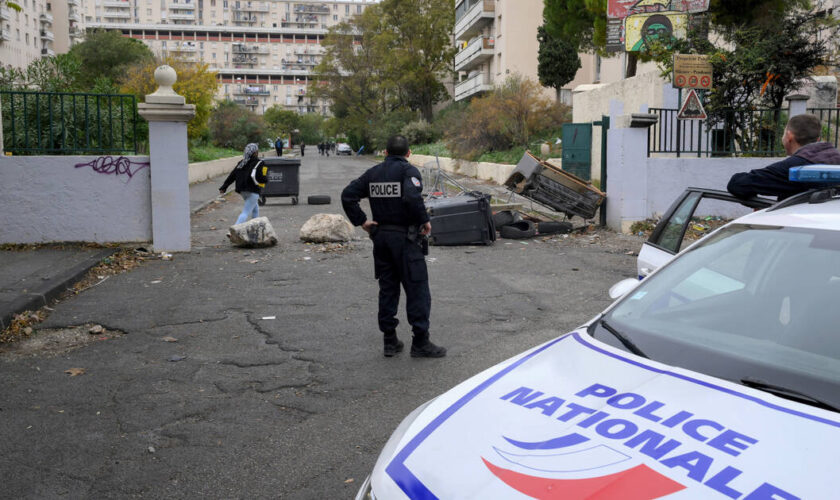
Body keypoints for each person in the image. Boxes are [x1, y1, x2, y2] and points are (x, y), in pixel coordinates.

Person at [341, 135, 446, 358]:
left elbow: (348, 195)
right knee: (417, 289)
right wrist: (423, 220)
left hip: (381, 239)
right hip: (405, 240)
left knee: (388, 289)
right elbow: (411, 196)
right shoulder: (409, 172)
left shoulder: (373, 173)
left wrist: (362, 221)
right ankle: (420, 342)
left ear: (386, 153)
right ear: (408, 153)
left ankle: (390, 340)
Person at [727, 114, 840, 200]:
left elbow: (738, 184)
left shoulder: (794, 168)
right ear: (818, 139)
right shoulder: (836, 159)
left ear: (789, 136)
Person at [219, 143, 264, 225]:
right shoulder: (258, 162)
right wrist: (266, 180)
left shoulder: (241, 163)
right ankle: (234, 229)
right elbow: (261, 177)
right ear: (255, 152)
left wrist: (224, 187)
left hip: (242, 191)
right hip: (253, 190)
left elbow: (232, 175)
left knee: (255, 208)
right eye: (257, 151)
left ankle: (255, 229)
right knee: (245, 212)